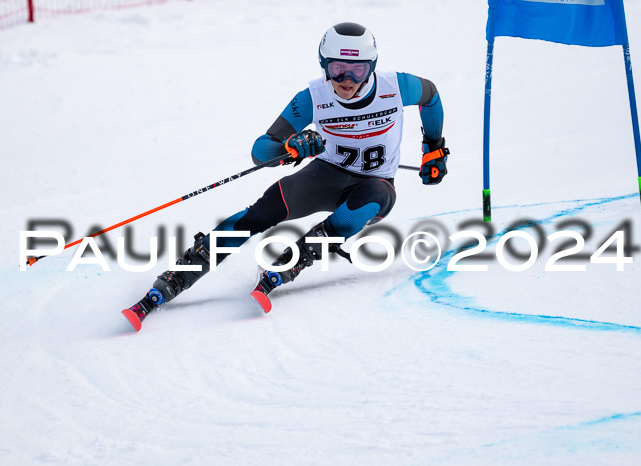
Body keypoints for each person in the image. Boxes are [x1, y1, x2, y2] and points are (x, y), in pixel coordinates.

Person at [122, 22, 449, 330]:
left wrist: (433, 147)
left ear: (372, 67)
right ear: (324, 65)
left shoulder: (396, 86)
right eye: (337, 68)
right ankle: (182, 273)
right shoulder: (312, 98)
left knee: (367, 203)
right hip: (326, 175)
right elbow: (261, 149)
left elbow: (430, 95)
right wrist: (289, 145)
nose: (346, 78)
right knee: (260, 214)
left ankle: (293, 260)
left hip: (375, 184)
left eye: (357, 69)